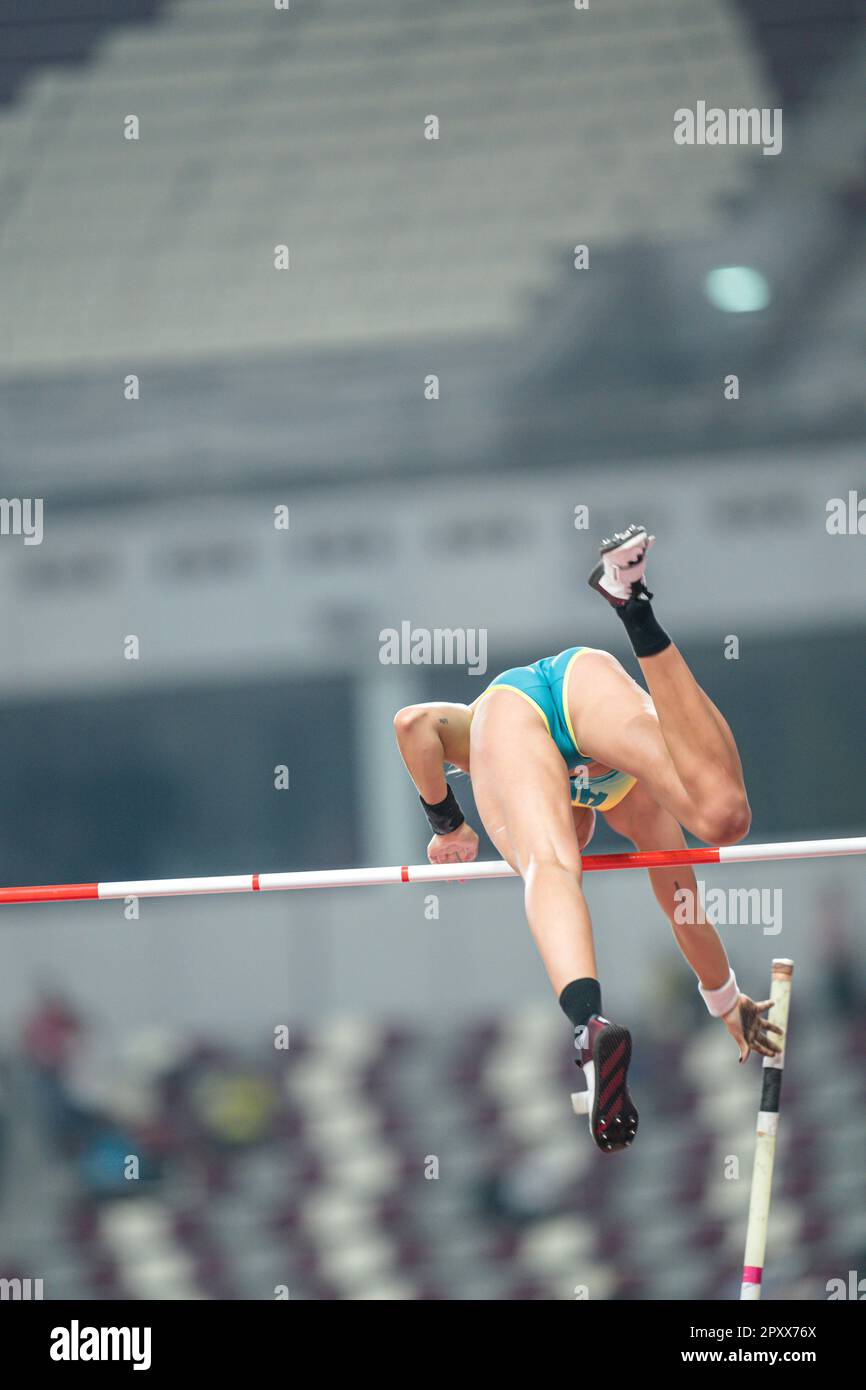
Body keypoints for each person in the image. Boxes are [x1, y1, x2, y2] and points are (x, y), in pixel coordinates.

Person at [393, 525, 782, 1154]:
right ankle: (633, 608)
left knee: (549, 866)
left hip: (532, 709)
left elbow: (412, 726)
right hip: (585, 679)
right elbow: (684, 913)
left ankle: (587, 1026)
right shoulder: (639, 810)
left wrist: (449, 823)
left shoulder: (633, 811)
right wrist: (726, 1003)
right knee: (724, 817)